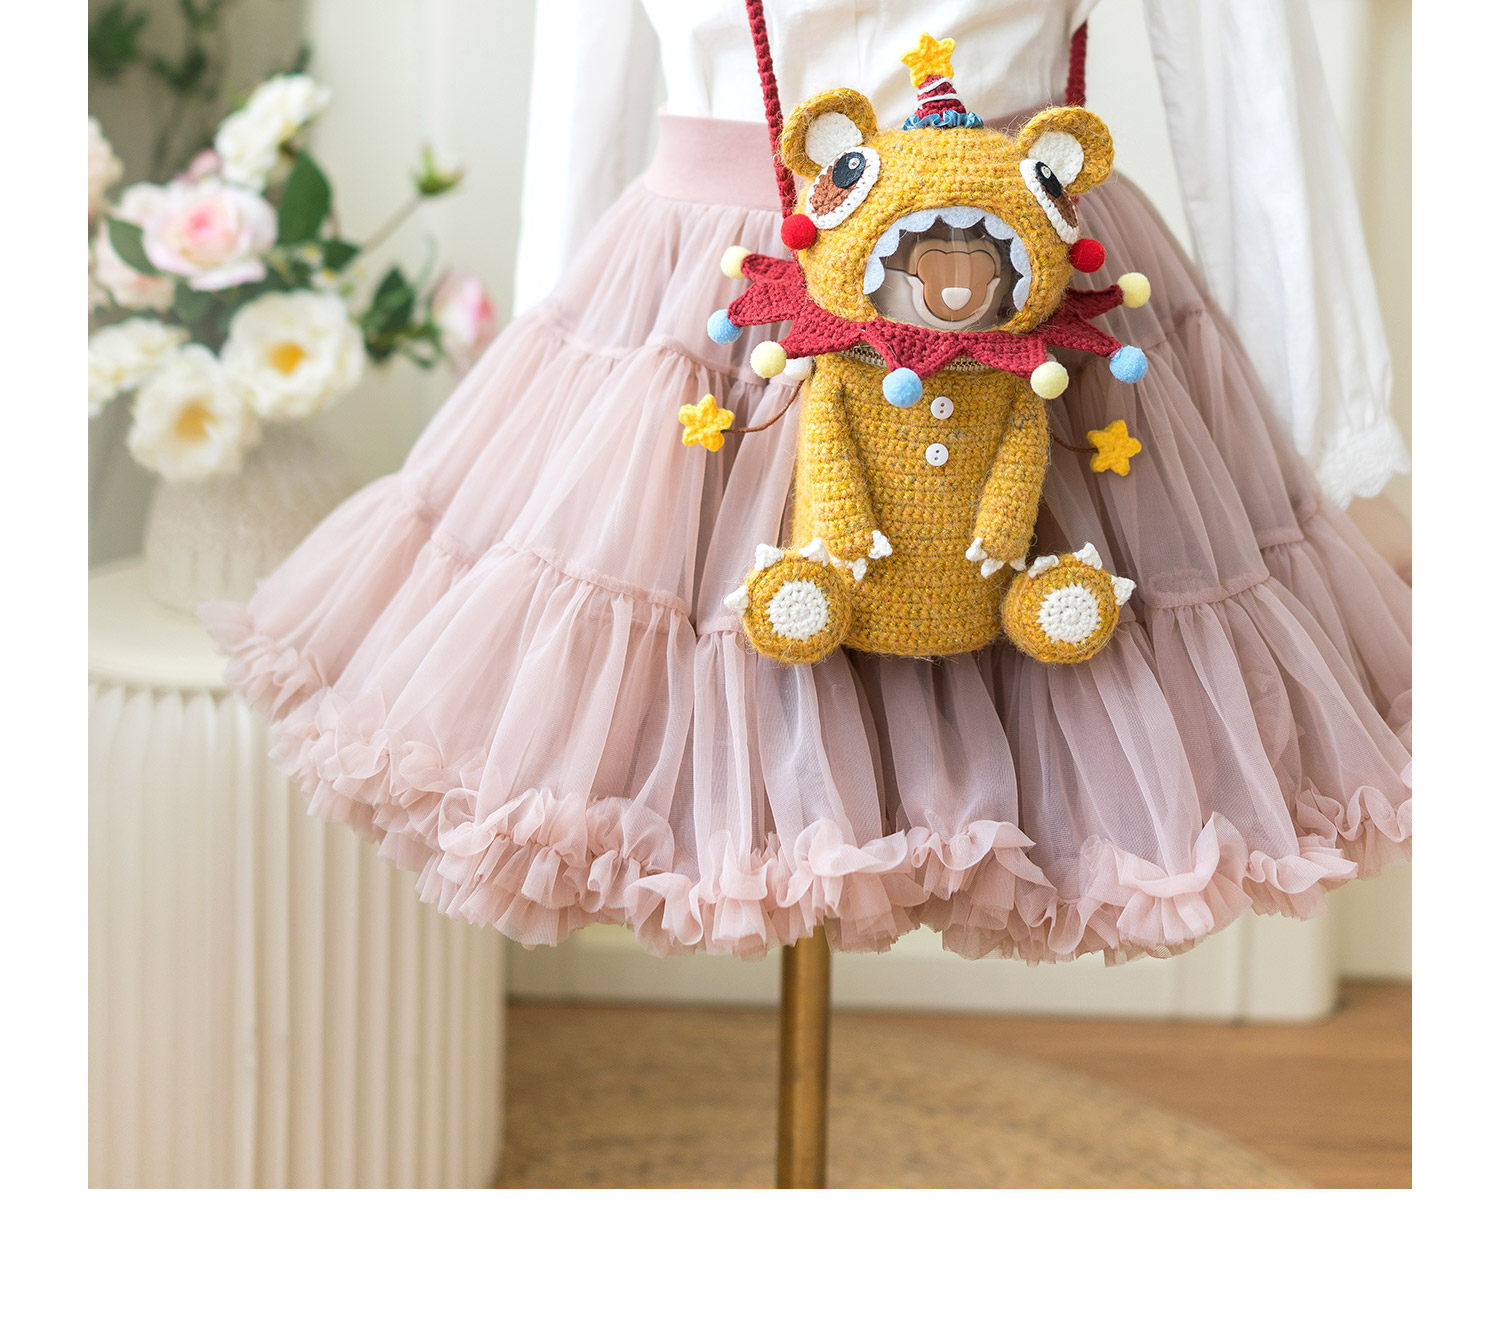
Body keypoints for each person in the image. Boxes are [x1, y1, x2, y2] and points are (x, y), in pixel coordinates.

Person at [205, 0, 1411, 964]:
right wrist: (553, 405)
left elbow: (1249, 92)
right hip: (719, 289)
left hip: (1023, 280)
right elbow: (585, 85)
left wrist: (1322, 422)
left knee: (1033, 608)